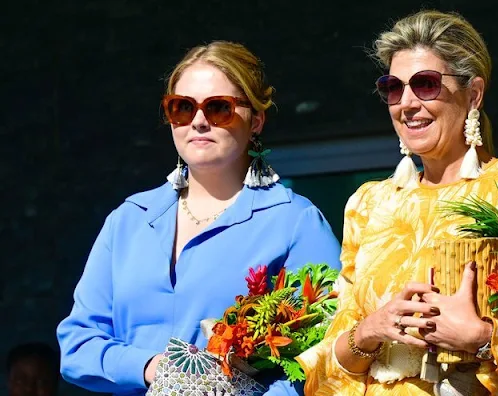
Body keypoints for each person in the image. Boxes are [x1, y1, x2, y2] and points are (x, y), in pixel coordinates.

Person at [297, 10, 498, 396]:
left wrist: (484, 337)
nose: (406, 103)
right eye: (392, 87)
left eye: (425, 84)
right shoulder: (368, 203)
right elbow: (327, 364)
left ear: (473, 94)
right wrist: (369, 332)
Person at [56, 41, 342, 396]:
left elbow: (327, 356)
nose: (199, 121)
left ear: (256, 120)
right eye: (182, 108)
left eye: (219, 108)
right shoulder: (129, 220)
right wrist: (151, 367)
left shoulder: (295, 222)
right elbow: (77, 346)